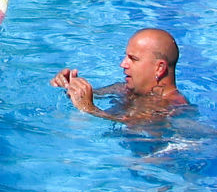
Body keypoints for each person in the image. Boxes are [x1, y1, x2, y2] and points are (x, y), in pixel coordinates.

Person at [51, 27, 187, 125]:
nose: (123, 64)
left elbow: (136, 125)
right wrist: (69, 85)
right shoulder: (123, 89)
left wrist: (89, 109)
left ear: (159, 68)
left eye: (133, 59)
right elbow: (89, 94)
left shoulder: (172, 108)